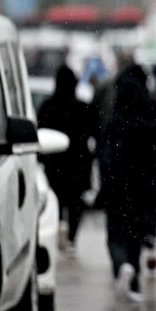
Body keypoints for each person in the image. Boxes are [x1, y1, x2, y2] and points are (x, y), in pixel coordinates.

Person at [99, 76, 156, 302]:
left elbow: (104, 156)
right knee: (134, 232)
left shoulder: (113, 123)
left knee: (115, 231)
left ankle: (121, 265)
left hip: (117, 185)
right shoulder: (147, 125)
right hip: (142, 186)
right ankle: (135, 281)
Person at [38, 64, 98, 254]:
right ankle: (71, 237)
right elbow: (96, 132)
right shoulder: (83, 108)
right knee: (75, 202)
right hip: (78, 163)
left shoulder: (48, 106)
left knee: (56, 198)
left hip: (54, 162)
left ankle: (58, 231)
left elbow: (39, 132)